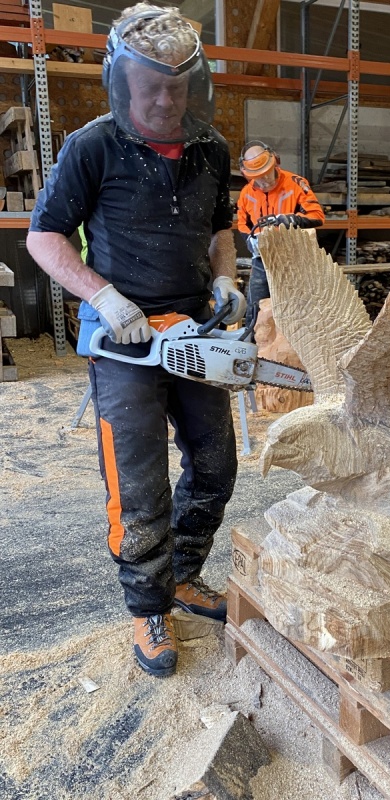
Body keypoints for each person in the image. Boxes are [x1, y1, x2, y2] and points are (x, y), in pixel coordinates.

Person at [26, 3, 246, 679]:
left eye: (177, 88)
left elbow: (219, 228)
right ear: (122, 82)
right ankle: (148, 607)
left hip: (193, 331)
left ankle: (183, 574)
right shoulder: (92, 146)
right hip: (123, 341)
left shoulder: (211, 148)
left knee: (216, 465)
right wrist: (103, 297)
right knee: (139, 486)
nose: (165, 101)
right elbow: (44, 237)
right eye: (150, 88)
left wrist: (226, 278)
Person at [236, 141, 325, 321]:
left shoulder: (295, 184)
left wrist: (290, 220)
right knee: (256, 310)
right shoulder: (247, 193)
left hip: (294, 258)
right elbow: (242, 224)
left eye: (266, 173)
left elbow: (317, 216)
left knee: (297, 311)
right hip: (263, 258)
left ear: (275, 163)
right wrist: (250, 240)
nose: (264, 180)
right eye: (258, 177)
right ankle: (255, 336)